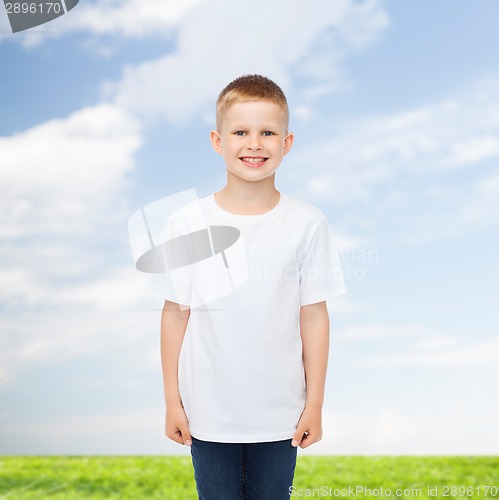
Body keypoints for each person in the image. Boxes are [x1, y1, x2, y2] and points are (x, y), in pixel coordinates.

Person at [159, 74, 346, 499]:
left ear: (288, 141)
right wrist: (173, 398)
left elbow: (314, 315)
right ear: (217, 140)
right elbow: (176, 312)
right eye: (240, 132)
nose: (254, 143)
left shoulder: (308, 223)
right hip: (208, 409)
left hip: (281, 411)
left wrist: (314, 402)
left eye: (268, 132)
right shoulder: (187, 223)